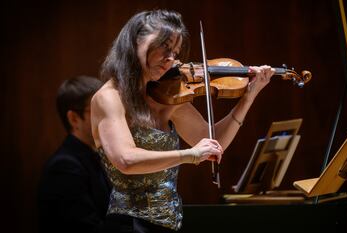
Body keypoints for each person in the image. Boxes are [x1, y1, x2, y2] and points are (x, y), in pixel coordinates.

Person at [91, 9, 274, 233]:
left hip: (169, 226)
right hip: (128, 225)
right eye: (164, 48)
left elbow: (214, 143)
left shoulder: (167, 96)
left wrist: (248, 97)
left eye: (176, 51)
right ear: (134, 42)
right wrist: (190, 155)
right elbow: (126, 160)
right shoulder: (108, 98)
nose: (171, 60)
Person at [38, 75, 111, 233]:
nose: (109, 118)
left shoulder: (98, 155)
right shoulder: (65, 167)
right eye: (98, 111)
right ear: (74, 119)